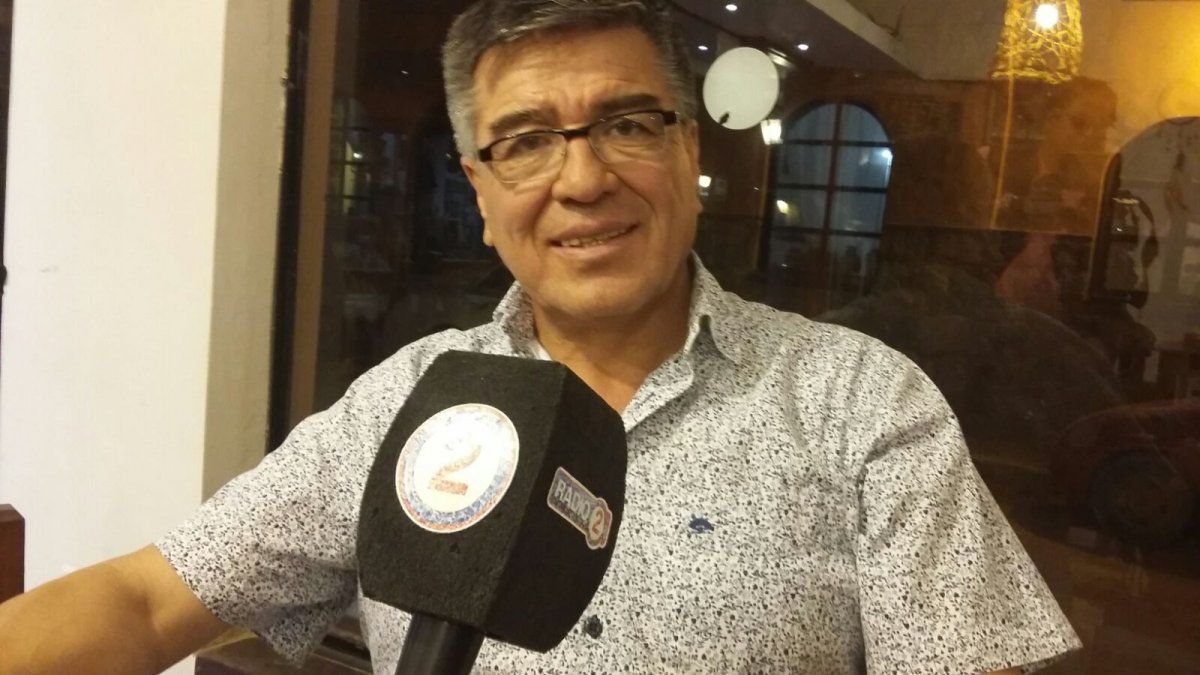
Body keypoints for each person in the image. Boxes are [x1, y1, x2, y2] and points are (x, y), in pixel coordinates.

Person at [0, 1, 1081, 672]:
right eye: (524, 141)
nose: (583, 178)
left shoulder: (863, 403)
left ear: (688, 152)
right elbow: (144, 600)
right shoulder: (407, 403)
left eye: (626, 123)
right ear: (479, 190)